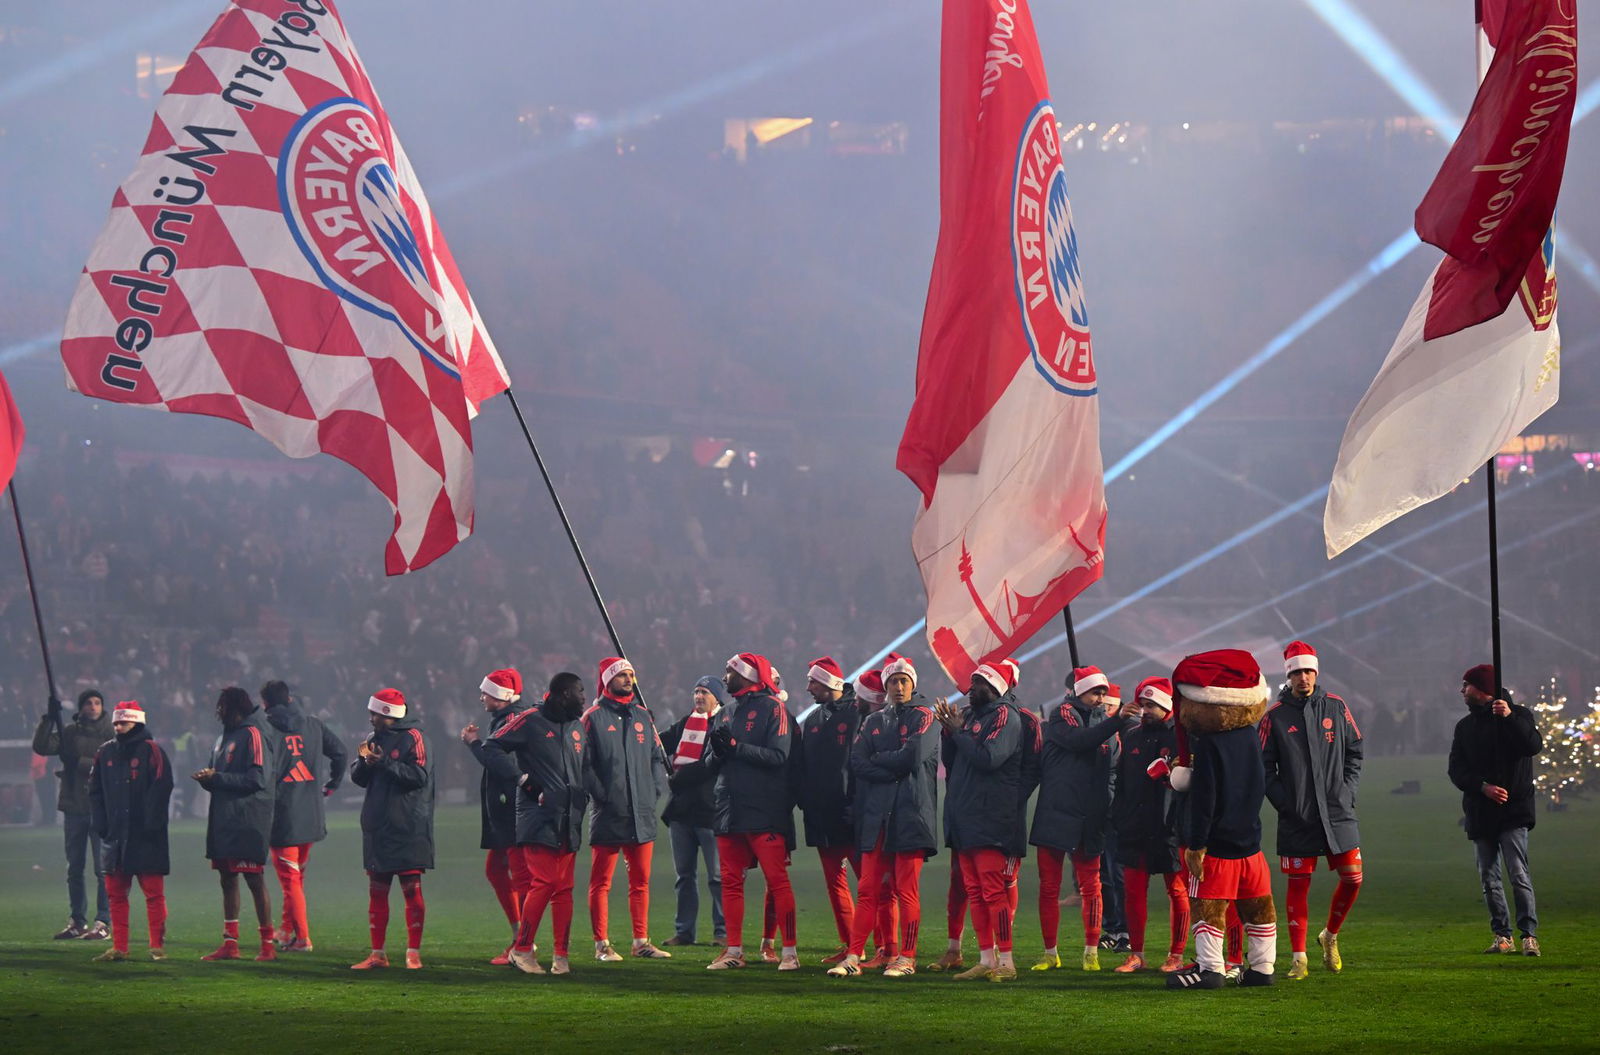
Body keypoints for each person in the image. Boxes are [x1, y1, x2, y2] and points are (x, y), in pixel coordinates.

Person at [1165, 649, 1278, 990]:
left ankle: (1210, 969)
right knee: (1258, 909)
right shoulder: (1250, 736)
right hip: (1251, 845)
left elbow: (1205, 799)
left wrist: (1196, 843)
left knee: (1207, 908)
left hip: (1218, 850)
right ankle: (1262, 968)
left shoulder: (1211, 744)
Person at [830, 655, 938, 979]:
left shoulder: (925, 716)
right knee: (867, 890)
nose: (899, 686)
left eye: (905, 680)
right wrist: (889, 764)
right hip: (878, 816)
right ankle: (853, 956)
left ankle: (907, 958)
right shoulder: (874, 721)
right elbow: (857, 762)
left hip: (910, 815)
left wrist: (879, 760)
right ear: (886, 686)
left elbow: (912, 757)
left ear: (913, 684)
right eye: (894, 681)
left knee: (907, 891)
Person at [1260, 641, 1364, 979]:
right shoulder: (1274, 717)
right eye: (1296, 672)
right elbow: (1265, 768)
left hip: (1337, 811)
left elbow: (1355, 751)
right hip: (1298, 817)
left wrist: (1347, 791)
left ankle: (1330, 935)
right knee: (1298, 885)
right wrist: (1285, 804)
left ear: (1316, 672)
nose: (1302, 677)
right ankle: (1299, 957)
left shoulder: (1336, 706)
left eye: (1307, 671)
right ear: (1288, 676)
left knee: (1353, 879)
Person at [484, 672, 590, 975]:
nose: (584, 697)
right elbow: (491, 747)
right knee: (545, 883)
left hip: (569, 817)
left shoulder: (576, 727)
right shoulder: (529, 720)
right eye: (579, 691)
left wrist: (591, 795)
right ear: (561, 694)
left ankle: (561, 956)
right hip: (537, 815)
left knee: (565, 889)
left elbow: (586, 768)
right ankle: (521, 949)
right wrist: (522, 778)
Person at [705, 651, 798, 971]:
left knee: (777, 880)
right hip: (727, 807)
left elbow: (779, 756)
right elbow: (709, 761)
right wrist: (717, 754)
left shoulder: (775, 708)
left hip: (764, 807)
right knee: (730, 881)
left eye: (729, 671)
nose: (724, 677)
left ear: (747, 675)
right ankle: (733, 951)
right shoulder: (724, 713)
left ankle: (789, 952)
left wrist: (735, 748)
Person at [934, 661, 1023, 982]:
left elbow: (989, 759)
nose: (970, 690)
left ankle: (1007, 962)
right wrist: (949, 732)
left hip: (989, 816)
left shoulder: (1005, 717)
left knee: (992, 891)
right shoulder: (970, 717)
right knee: (974, 890)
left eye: (977, 684)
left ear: (995, 687)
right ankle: (986, 958)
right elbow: (952, 762)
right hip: (963, 814)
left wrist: (958, 731)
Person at [1030, 665, 1122, 972]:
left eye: (1103, 693)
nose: (1100, 698)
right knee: (1049, 886)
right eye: (1096, 691)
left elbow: (1112, 769)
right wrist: (1117, 722)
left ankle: (1090, 953)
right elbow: (1080, 741)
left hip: (1089, 815)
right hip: (1056, 812)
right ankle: (1049, 953)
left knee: (1091, 886)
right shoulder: (1060, 716)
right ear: (1079, 690)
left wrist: (1106, 802)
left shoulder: (1107, 726)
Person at [1448, 663, 1543, 957]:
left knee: (1518, 874)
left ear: (1483, 689)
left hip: (1513, 810)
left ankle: (1529, 935)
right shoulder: (1465, 727)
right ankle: (1502, 935)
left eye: (1467, 685)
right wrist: (1482, 787)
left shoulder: (1519, 715)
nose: (1462, 691)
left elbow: (1532, 745)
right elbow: (1456, 770)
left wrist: (1510, 717)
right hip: (1481, 811)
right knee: (1489, 878)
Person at [582, 657, 672, 960]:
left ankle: (641, 942)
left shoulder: (644, 717)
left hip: (642, 811)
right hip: (609, 812)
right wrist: (602, 794)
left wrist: (653, 790)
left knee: (641, 880)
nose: (628, 679)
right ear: (608, 680)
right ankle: (602, 945)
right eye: (622, 674)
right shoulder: (592, 717)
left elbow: (655, 758)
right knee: (601, 882)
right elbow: (584, 764)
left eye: (631, 673)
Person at [349, 687, 435, 971]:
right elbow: (360, 779)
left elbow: (419, 777)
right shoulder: (373, 739)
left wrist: (384, 762)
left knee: (411, 890)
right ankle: (378, 954)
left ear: (388, 714)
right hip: (377, 824)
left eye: (375, 713)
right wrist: (364, 761)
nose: (371, 717)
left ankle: (413, 952)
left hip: (407, 825)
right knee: (377, 890)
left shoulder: (415, 738)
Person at [193, 686, 277, 962]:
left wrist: (217, 778)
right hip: (223, 819)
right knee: (227, 879)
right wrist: (208, 779)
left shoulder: (253, 735)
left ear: (236, 707)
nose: (218, 711)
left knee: (254, 878)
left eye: (222, 705)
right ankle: (231, 944)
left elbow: (257, 780)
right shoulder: (222, 739)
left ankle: (267, 945)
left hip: (246, 820)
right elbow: (219, 778)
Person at [1110, 677, 1188, 974]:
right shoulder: (1130, 736)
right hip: (1135, 827)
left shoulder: (1180, 737)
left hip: (1169, 828)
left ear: (1166, 706)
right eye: (1143, 704)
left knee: (1177, 891)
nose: (1146, 710)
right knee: (1133, 891)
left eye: (1152, 704)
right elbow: (1121, 782)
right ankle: (1137, 955)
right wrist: (1120, 816)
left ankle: (1176, 955)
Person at [263, 679, 346, 954]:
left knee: (290, 879)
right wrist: (332, 784)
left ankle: (303, 939)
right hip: (310, 814)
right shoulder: (313, 724)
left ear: (265, 705)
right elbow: (341, 752)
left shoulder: (266, 730)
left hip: (283, 817)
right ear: (289, 699)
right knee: (297, 878)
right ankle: (286, 929)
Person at [87, 701, 173, 962]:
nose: (117, 726)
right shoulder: (105, 753)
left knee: (154, 894)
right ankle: (119, 948)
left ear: (136, 722)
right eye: (115, 722)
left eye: (122, 722)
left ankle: (156, 947)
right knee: (115, 894)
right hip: (114, 836)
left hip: (146, 837)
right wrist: (101, 823)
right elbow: (94, 791)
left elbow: (162, 788)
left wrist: (151, 824)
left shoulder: (153, 751)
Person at [792, 656, 862, 963]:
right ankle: (849, 944)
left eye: (813, 682)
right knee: (835, 884)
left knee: (872, 886)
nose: (808, 688)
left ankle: (889, 948)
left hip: (850, 815)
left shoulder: (857, 712)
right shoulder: (815, 719)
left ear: (830, 683)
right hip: (821, 816)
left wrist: (855, 804)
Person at [462, 668, 531, 964]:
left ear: (502, 696)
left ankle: (525, 941)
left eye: (486, 692)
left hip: (513, 808)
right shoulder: (507, 719)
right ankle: (520, 936)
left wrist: (474, 744)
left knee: (522, 875)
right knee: (496, 870)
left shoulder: (514, 721)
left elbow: (501, 763)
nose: (481, 697)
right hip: (504, 810)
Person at [33, 688, 113, 940]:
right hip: (74, 807)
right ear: (81, 708)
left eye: (97, 702)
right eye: (88, 703)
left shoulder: (111, 733)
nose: (93, 706)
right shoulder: (69, 732)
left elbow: (110, 765)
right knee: (74, 868)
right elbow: (42, 746)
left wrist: (79, 761)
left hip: (101, 808)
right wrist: (48, 719)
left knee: (103, 870)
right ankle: (77, 920)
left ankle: (103, 921)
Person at [660, 676, 728, 947]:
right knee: (684, 877)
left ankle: (723, 932)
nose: (698, 697)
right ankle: (684, 932)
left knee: (717, 877)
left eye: (704, 692)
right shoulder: (685, 724)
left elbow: (711, 764)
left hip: (710, 812)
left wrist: (680, 777)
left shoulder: (723, 724)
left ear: (717, 698)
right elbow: (659, 743)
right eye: (696, 691)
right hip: (681, 813)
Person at [1098, 682, 1130, 954]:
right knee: (1103, 874)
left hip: (1120, 812)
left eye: (1110, 705)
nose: (1105, 709)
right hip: (1099, 812)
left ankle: (1126, 930)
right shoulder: (1096, 729)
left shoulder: (1130, 732)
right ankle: (1111, 927)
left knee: (1119, 873)